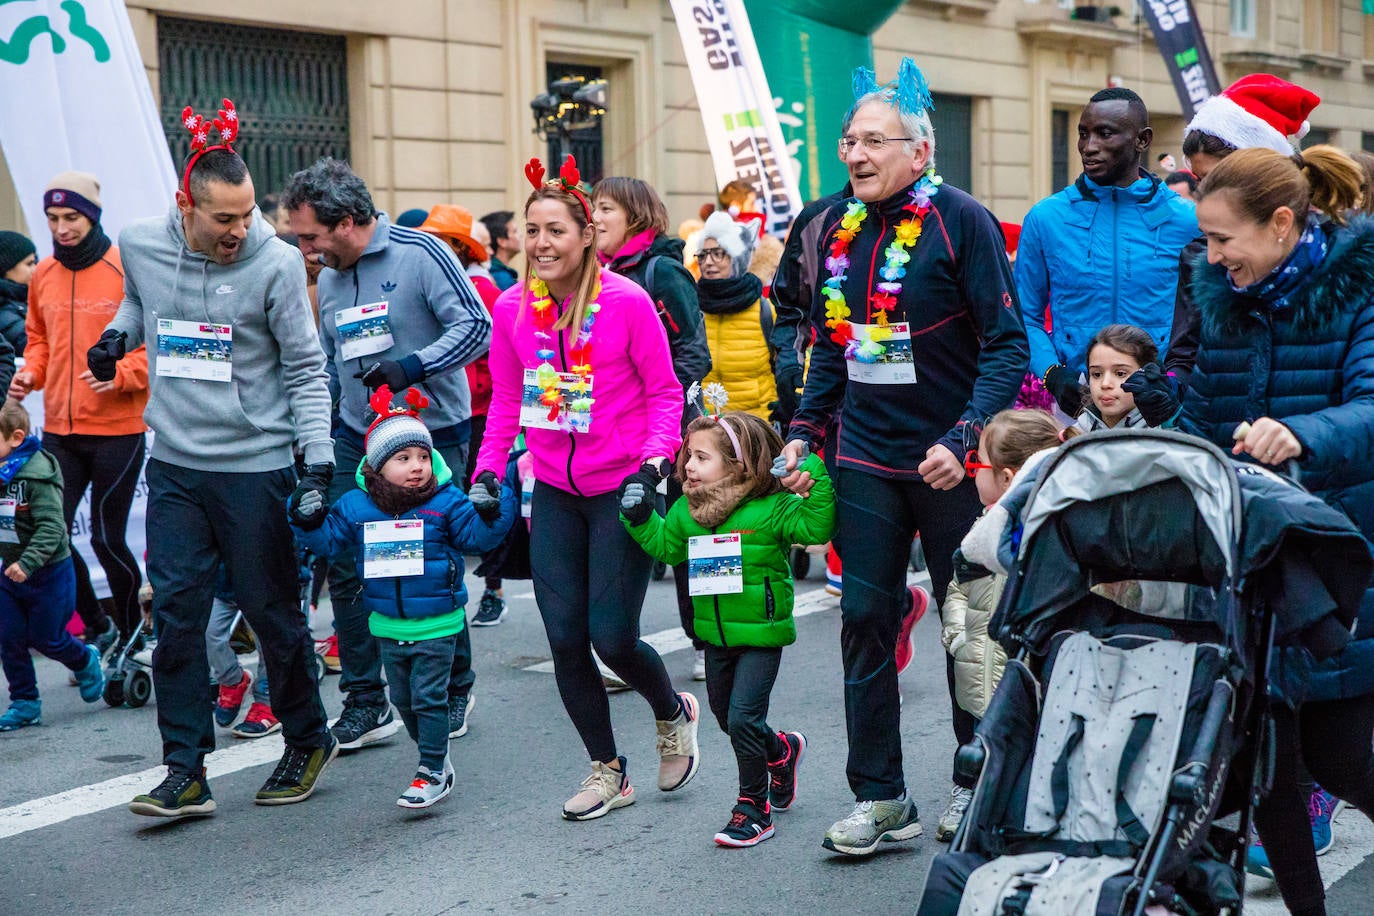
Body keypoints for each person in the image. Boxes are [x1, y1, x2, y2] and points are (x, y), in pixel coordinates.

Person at [776, 58, 1029, 856]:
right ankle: (882, 795)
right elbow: (832, 351)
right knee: (861, 620)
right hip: (867, 458)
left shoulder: (961, 219)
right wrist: (801, 431)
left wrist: (965, 439)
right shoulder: (830, 228)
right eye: (849, 140)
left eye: (874, 141)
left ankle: (974, 777)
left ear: (919, 151)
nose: (855, 153)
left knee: (969, 629)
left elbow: (1005, 343)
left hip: (950, 460)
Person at [98, 101, 338, 817]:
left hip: (255, 466)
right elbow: (140, 304)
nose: (241, 231)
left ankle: (305, 736)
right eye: (224, 219)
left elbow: (305, 368)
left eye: (246, 215)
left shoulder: (274, 262)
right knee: (175, 617)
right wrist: (117, 338)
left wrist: (317, 465)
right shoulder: (139, 242)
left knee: (271, 614)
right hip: (172, 461)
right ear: (185, 205)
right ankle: (185, 768)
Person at [470, 155, 701, 821]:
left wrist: (655, 466)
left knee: (613, 638)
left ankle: (671, 710)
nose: (541, 243)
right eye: (531, 230)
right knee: (565, 637)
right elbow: (507, 403)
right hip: (554, 492)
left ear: (587, 237)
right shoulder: (513, 309)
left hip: (623, 487)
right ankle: (607, 771)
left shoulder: (627, 303)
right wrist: (487, 476)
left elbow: (664, 394)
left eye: (556, 231)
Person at [1180, 144, 1374, 916]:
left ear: (1284, 223)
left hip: (1336, 562)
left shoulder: (1360, 289)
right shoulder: (1223, 296)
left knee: (1338, 758)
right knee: (1262, 765)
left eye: (1225, 239)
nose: (1213, 254)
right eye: (1206, 239)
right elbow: (1198, 417)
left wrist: (1300, 433)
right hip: (1251, 559)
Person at [284, 158, 493, 750]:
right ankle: (366, 701)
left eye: (310, 235)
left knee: (430, 560)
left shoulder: (421, 254)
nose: (304, 248)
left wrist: (412, 366)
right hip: (358, 436)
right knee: (352, 566)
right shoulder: (327, 275)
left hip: (430, 435)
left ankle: (453, 686)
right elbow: (327, 364)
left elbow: (477, 327)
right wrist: (313, 435)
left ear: (348, 221)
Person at [294, 385, 515, 808]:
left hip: (438, 621)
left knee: (429, 697)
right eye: (403, 458)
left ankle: (431, 768)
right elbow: (327, 541)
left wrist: (493, 505)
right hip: (387, 624)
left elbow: (479, 536)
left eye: (422, 457)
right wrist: (305, 514)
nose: (417, 467)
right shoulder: (357, 506)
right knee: (404, 700)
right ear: (377, 467)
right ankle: (436, 761)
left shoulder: (445, 501)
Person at [621, 410, 834, 846]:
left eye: (701, 457)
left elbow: (818, 524)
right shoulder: (687, 510)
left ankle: (753, 809)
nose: (688, 466)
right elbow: (666, 547)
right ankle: (783, 751)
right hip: (715, 637)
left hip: (760, 634)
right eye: (687, 457)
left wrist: (810, 469)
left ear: (737, 465)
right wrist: (640, 516)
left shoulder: (771, 507)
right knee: (727, 718)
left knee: (742, 717)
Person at [11, 171, 146, 659]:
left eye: (71, 217)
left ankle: (135, 636)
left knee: (110, 540)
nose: (61, 227)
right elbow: (40, 340)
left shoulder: (125, 268)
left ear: (91, 216)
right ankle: (99, 628)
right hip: (61, 432)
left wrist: (122, 373)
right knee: (51, 536)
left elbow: (158, 345)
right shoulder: (44, 273)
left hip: (118, 430)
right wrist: (32, 375)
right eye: (53, 218)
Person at [593, 175, 712, 681]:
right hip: (613, 431)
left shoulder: (661, 271)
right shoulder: (592, 275)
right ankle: (622, 645)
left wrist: (650, 394)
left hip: (673, 427)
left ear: (635, 216)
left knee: (691, 534)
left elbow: (694, 352)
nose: (593, 219)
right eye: (592, 209)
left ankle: (707, 638)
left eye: (604, 209)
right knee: (633, 528)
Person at [1015, 87, 1198, 416]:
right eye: (1083, 134)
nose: (1089, 147)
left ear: (1142, 140)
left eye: (1105, 134)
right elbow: (1023, 316)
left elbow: (1203, 319)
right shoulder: (1046, 218)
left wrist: (1174, 380)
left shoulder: (1187, 221)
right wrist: (1052, 373)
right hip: (1076, 402)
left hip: (1163, 403)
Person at [939, 408, 1071, 840]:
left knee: (1031, 754)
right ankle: (983, 813)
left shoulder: (1046, 535)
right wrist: (957, 635)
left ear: (1010, 478)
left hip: (1027, 676)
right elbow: (958, 587)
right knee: (989, 747)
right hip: (981, 666)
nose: (971, 474)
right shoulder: (980, 531)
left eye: (977, 465)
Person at [1166, 74, 1322, 390]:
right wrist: (1167, 389)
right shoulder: (1202, 259)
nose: (1215, 254)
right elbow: (1190, 364)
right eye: (1199, 182)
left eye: (1216, 179)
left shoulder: (1336, 264)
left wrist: (1295, 433)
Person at [418, 204, 508, 626]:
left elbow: (502, 358)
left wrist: (483, 391)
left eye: (442, 242)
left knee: (479, 500)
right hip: (435, 415)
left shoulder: (487, 292)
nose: (433, 248)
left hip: (482, 415)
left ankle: (493, 589)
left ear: (460, 247)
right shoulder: (426, 286)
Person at [0, 400, 104, 730]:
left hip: (47, 573)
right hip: (8, 571)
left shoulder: (37, 474)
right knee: (10, 637)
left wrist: (28, 563)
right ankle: (25, 701)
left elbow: (52, 527)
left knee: (48, 639)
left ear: (16, 438)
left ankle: (85, 659)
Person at [696, 212, 776, 421]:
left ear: (737, 257)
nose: (708, 262)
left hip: (756, 430)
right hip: (708, 430)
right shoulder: (693, 309)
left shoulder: (764, 310)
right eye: (703, 255)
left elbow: (796, 365)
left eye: (718, 253)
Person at [1071, 323, 1180, 432]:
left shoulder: (1167, 430)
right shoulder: (1074, 435)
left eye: (1120, 373)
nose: (1105, 384)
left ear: (1148, 375)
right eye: (1097, 374)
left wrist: (1171, 420)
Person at [0, 231, 36, 356]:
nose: (35, 269)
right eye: (29, 264)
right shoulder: (4, 313)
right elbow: (31, 344)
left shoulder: (22, 300)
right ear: (6, 268)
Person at [479, 209, 521, 290]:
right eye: (515, 232)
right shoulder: (502, 279)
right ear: (502, 241)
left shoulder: (488, 271)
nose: (520, 235)